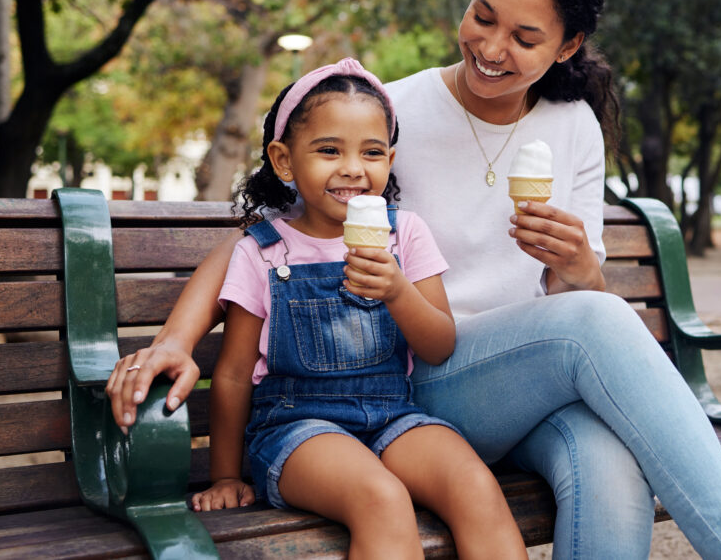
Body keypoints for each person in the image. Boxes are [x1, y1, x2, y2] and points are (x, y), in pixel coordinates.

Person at [107, 0, 721, 559]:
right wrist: (176, 334)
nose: (492, 48)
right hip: (413, 374)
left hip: (520, 385)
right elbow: (267, 240)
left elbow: (567, 304)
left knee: (610, 466)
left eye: (525, 37)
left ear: (568, 46)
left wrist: (580, 265)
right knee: (600, 320)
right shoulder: (390, 116)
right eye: (483, 16)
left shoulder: (573, 125)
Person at [186, 58, 527, 559]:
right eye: (328, 150)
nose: (352, 167)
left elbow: (439, 344)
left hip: (392, 415)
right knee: (382, 497)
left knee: (474, 484)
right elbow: (234, 374)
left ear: (389, 159)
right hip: (295, 427)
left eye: (371, 152)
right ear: (283, 161)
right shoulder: (263, 251)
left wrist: (397, 291)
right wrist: (225, 476)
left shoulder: (404, 234)